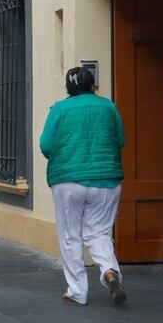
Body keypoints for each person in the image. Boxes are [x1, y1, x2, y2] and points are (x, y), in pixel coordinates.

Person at [39, 66, 127, 307]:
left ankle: (77, 291)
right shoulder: (109, 106)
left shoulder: (59, 109)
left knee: (69, 235)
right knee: (98, 232)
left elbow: (46, 145)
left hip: (67, 180)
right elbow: (120, 140)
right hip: (106, 179)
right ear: (92, 85)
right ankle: (109, 271)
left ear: (68, 88)